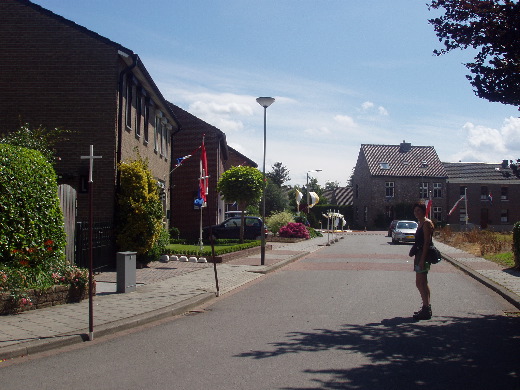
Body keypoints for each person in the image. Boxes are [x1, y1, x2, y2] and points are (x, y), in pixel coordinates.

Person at [412, 202, 434, 320]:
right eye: (415, 211)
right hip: (419, 254)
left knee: (420, 282)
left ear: (424, 211)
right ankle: (426, 307)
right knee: (422, 282)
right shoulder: (420, 223)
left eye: (419, 211)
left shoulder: (426, 224)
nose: (416, 213)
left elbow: (427, 242)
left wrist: (422, 259)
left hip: (423, 255)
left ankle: (426, 308)